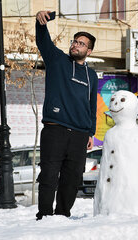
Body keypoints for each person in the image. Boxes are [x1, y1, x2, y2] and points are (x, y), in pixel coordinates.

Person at [35, 10, 98, 219]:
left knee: (72, 179)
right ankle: (44, 217)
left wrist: (91, 132)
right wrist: (41, 23)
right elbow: (43, 42)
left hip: (80, 134)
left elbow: (91, 104)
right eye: (74, 41)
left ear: (88, 51)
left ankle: (62, 216)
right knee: (49, 176)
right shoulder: (57, 60)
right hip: (55, 129)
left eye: (81, 43)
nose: (75, 44)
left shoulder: (91, 75)